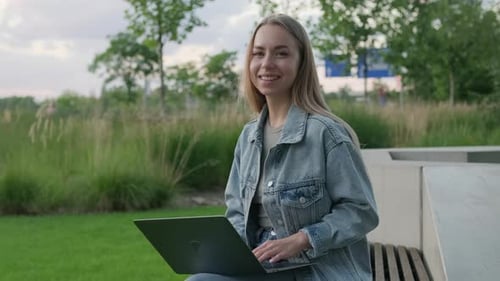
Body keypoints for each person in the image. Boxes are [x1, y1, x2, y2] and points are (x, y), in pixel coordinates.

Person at [186, 14, 379, 281]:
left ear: (301, 64)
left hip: (318, 270)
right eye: (258, 53)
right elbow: (237, 214)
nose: (267, 63)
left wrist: (302, 239)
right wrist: (225, 254)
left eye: (281, 53)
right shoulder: (248, 137)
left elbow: (361, 211)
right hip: (264, 267)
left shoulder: (327, 134)